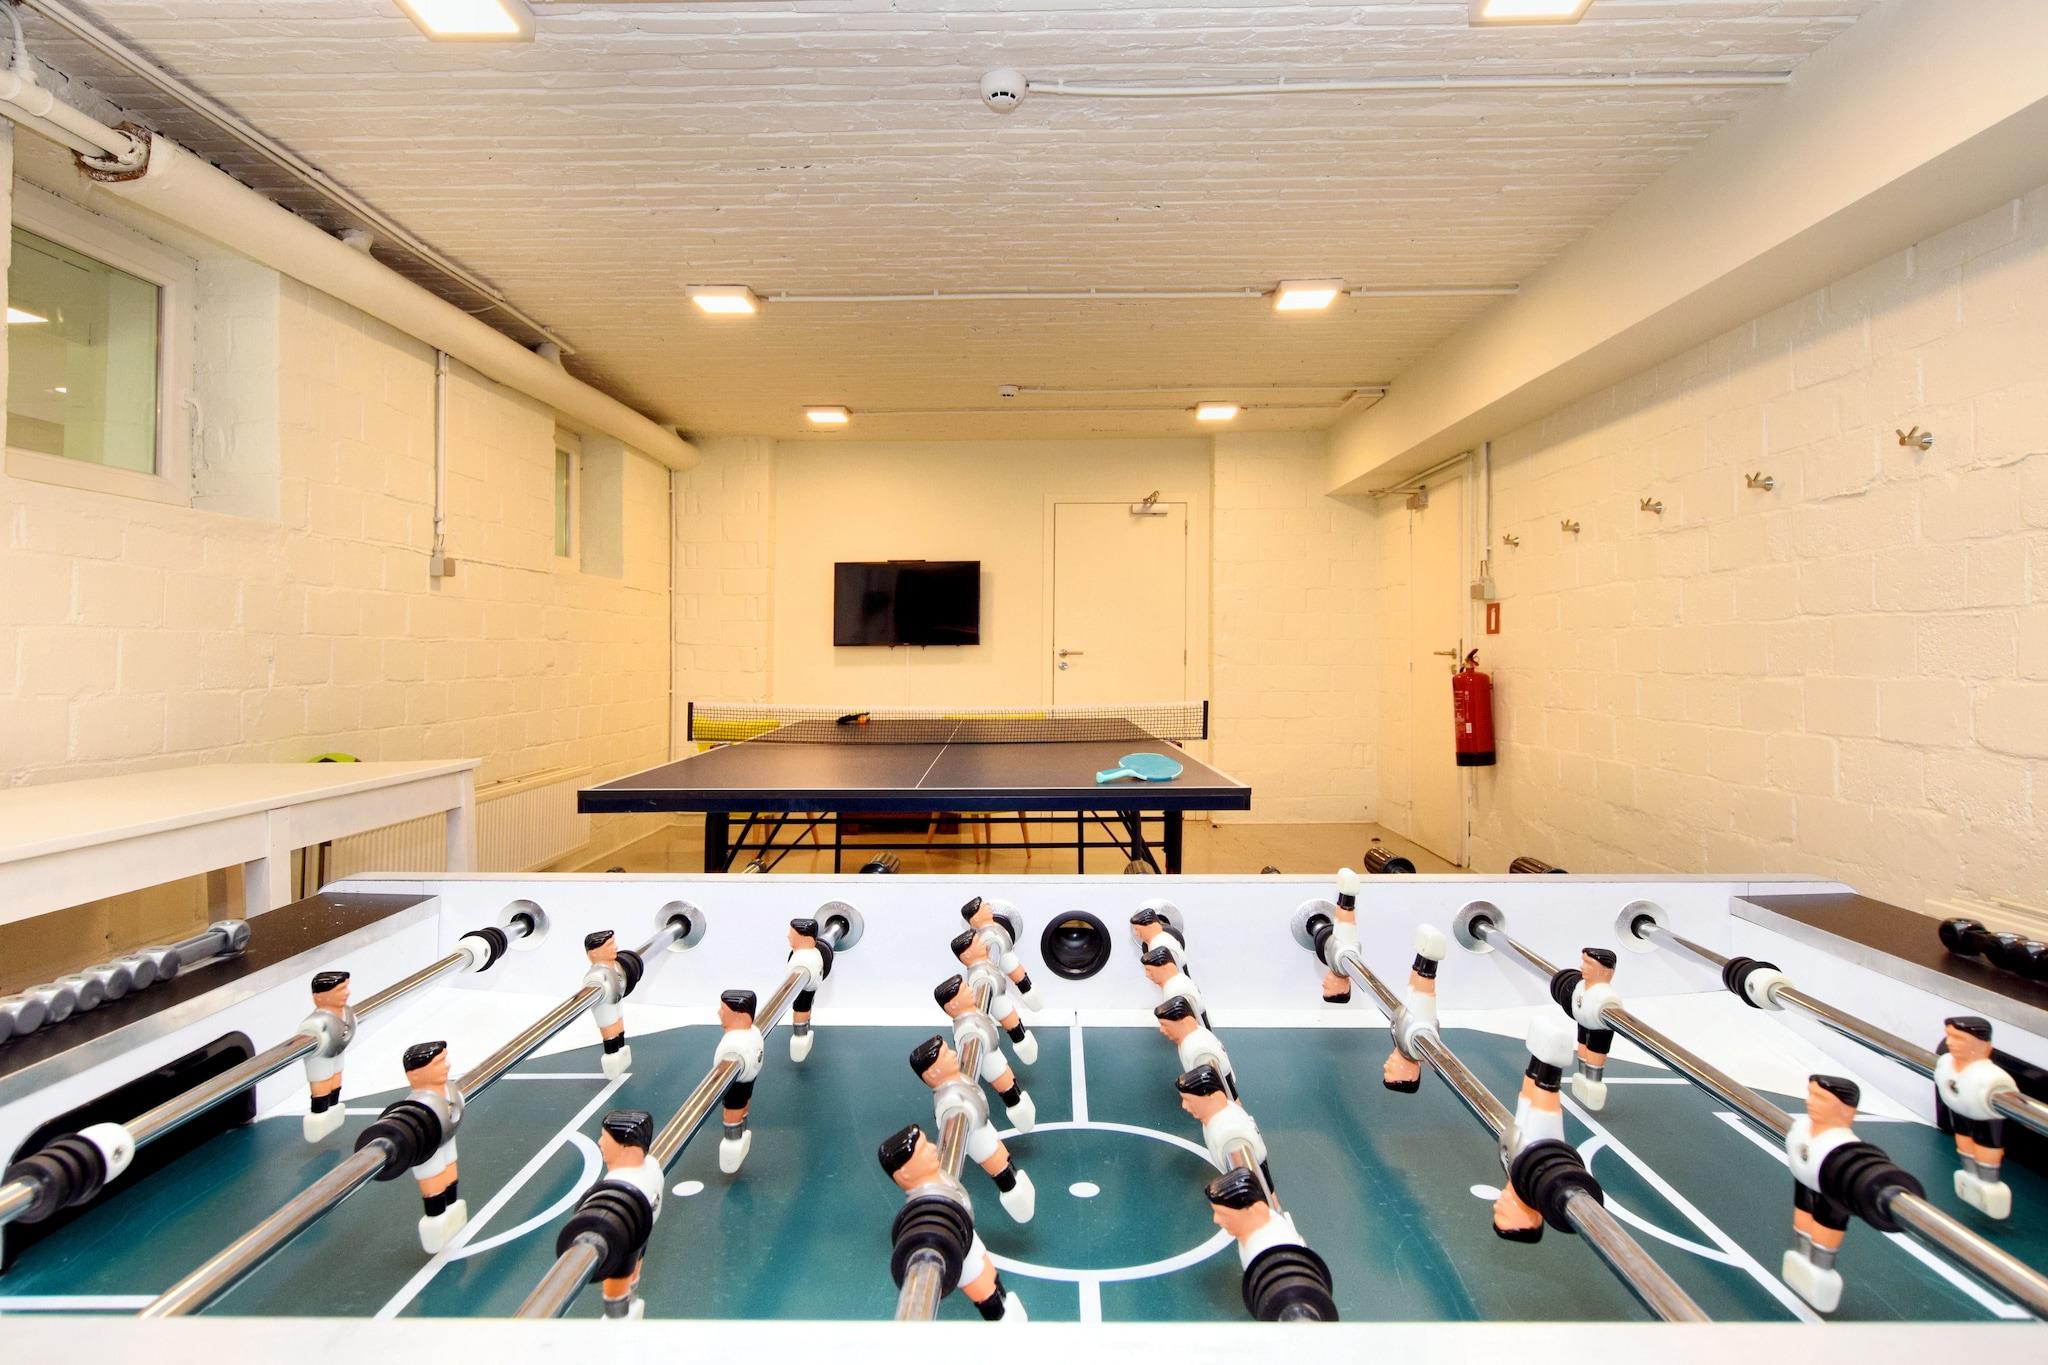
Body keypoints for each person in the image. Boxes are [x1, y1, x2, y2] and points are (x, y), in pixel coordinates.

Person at [876, 1124, 1025, 1322]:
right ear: (905, 1175)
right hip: (955, 1241)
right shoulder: (928, 1206)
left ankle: (1002, 1308)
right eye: (922, 1150)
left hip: (964, 1233)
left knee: (987, 1275)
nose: (932, 1148)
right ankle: (999, 1315)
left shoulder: (943, 1179)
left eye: (927, 1143)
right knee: (981, 1283)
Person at [908, 1034, 1036, 1220]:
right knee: (996, 1162)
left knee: (1000, 1159)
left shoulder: (959, 1084)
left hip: (982, 1127)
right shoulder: (951, 1105)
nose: (954, 1054)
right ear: (932, 1074)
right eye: (945, 1056)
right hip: (977, 1132)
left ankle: (1012, 1187)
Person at [1782, 1075, 1865, 1313]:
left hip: (1832, 1186)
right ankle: (1803, 1260)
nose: (1810, 1102)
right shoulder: (1802, 1130)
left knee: (1824, 1228)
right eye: (1811, 1095)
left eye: (1820, 1098)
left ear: (1847, 1110)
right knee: (1803, 1221)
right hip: (1806, 1179)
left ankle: (1820, 1270)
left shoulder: (1843, 1146)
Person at [1493, 1014, 1573, 1243]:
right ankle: (1548, 1066)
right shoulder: (1531, 1179)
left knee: (1528, 1103)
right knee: (1539, 1113)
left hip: (1525, 1150)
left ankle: (1543, 1062)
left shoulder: (1519, 1175)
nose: (1497, 1205)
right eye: (1505, 1216)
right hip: (1537, 1150)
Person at [1934, 1016, 2016, 1219]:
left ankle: (1989, 1187)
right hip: (1960, 1112)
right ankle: (1971, 1180)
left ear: (1982, 1045)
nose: (1949, 1043)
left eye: (1958, 1038)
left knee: (1985, 1152)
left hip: (1985, 1119)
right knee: (1964, 1146)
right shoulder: (1946, 1064)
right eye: (1949, 1036)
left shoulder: (1993, 1078)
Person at [591, 1109, 663, 1320]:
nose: (600, 1143)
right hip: (643, 1227)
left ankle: (618, 1315)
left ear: (627, 1147)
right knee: (636, 1257)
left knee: (619, 1275)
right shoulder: (653, 1167)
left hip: (623, 1235)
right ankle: (629, 1300)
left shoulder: (617, 1186)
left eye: (605, 1139)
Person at [400, 1040, 467, 1253]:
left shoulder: (450, 1090)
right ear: (415, 1076)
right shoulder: (418, 1104)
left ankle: (451, 1210)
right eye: (438, 1063)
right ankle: (436, 1220)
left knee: (450, 1173)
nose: (447, 1066)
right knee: (434, 1179)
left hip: (447, 1137)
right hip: (428, 1147)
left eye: (444, 1060)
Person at [1176, 1064, 1271, 1190]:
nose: (1184, 1106)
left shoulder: (1228, 1134)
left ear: (1211, 1096)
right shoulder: (1223, 1114)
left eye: (1188, 1100)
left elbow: (1245, 1180)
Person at [947, 934, 1037, 1063]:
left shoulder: (987, 964)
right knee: (1010, 1023)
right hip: (994, 1005)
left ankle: (1022, 1041)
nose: (982, 944)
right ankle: (1021, 1043)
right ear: (967, 955)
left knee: (1013, 1022)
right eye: (977, 944)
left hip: (999, 1000)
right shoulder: (979, 975)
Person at [1384, 926, 1445, 1093]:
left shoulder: (1404, 1046)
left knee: (1412, 991)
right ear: (1410, 1076)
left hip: (1408, 1018)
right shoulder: (1414, 1050)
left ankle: (1423, 957)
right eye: (1392, 1072)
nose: (1386, 1065)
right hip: (1419, 1020)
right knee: (1421, 992)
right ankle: (1429, 959)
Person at [1205, 1166, 1302, 1268]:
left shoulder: (1266, 1252)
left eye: (1223, 1214)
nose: (1216, 1219)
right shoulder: (1252, 1235)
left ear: (1251, 1210)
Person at [715, 988, 766, 1174]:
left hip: (738, 1081)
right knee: (743, 1103)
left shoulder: (734, 1047)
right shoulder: (753, 1033)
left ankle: (733, 1142)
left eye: (723, 1009)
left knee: (734, 1109)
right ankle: (739, 1132)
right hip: (749, 1075)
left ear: (738, 1014)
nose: (718, 1013)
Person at [960, 898, 1043, 1009]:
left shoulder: (994, 940)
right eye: (985, 909)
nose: (988, 909)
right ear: (976, 919)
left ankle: (1029, 993)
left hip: (1004, 959)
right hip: (990, 973)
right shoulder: (988, 938)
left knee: (1017, 974)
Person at [302, 969, 353, 1141]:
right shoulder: (315, 1024)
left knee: (335, 1079)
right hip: (321, 1057)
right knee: (323, 1082)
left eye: (346, 988)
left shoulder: (346, 1013)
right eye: (341, 990)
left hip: (337, 1051)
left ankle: (332, 1107)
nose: (347, 993)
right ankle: (320, 1113)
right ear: (320, 997)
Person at [1567, 948, 1620, 1110]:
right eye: (1583, 962)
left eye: (1588, 963)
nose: (1582, 967)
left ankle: (1593, 1084)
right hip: (1583, 1022)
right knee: (1582, 1048)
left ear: (1605, 972)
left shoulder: (1606, 997)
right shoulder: (1581, 986)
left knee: (1594, 1052)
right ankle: (1583, 1077)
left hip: (1599, 1029)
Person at [1154, 995, 1236, 1098]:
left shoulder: (1198, 1050)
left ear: (1184, 1022)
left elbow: (1215, 1090)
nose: (1161, 1030)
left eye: (1165, 1025)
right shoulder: (1194, 1036)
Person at [585, 930, 635, 1078]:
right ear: (594, 953)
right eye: (609, 945)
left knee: (619, 1026)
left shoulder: (615, 966)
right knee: (610, 1028)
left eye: (613, 943)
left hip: (616, 1000)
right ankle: (612, 1059)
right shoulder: (595, 977)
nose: (615, 947)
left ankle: (621, 1052)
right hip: (605, 1005)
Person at [786, 918, 829, 1062]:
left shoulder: (805, 962)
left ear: (805, 938)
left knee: (802, 1004)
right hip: (811, 977)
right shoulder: (797, 956)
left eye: (792, 934)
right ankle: (801, 1034)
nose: (788, 936)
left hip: (809, 982)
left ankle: (800, 1036)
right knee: (804, 1002)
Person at [1142, 947, 1209, 1027]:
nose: (1147, 975)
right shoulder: (1179, 981)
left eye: (1149, 970)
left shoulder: (1174, 990)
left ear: (1164, 967)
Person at [1322, 867, 1360, 1003]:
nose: (1323, 985)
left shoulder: (1337, 966)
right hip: (1345, 945)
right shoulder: (1344, 967)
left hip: (1337, 944)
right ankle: (1347, 895)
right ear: (1344, 989)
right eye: (1329, 989)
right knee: (1345, 920)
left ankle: (1347, 894)